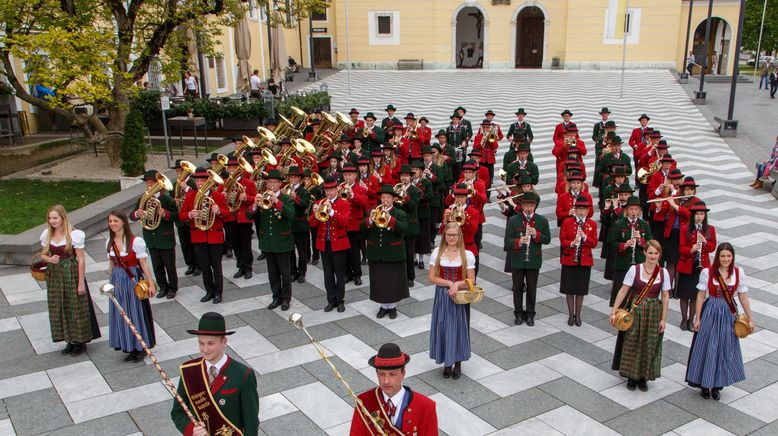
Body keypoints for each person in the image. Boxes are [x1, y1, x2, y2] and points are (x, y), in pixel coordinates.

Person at [686, 243, 755, 400]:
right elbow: (701, 296)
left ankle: (717, 385)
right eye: (723, 256)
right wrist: (698, 317)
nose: (725, 259)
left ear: (733, 257)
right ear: (718, 257)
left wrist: (750, 318)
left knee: (724, 347)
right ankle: (704, 383)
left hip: (728, 313)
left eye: (728, 256)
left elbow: (743, 297)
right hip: (710, 311)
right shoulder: (708, 272)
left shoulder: (738, 273)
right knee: (708, 346)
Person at [171, 312, 259, 436]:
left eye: (211, 343)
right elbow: (177, 412)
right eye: (201, 343)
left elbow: (251, 423)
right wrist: (192, 430)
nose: (205, 349)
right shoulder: (189, 370)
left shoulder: (243, 375)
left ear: (224, 341)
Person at [610, 240, 671, 392]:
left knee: (649, 343)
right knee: (632, 341)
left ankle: (643, 377)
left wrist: (663, 319)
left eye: (656, 253)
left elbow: (665, 296)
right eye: (650, 252)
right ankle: (631, 376)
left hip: (653, 312)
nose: (653, 256)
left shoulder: (663, 272)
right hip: (636, 311)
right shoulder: (634, 270)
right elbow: (623, 290)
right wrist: (614, 311)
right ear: (644, 252)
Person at [39, 205, 100, 356]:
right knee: (60, 305)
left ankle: (80, 341)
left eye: (55, 218)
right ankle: (69, 339)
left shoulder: (73, 235)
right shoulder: (47, 234)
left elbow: (81, 259)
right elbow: (43, 255)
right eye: (50, 218)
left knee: (75, 306)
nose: (52, 221)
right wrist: (50, 259)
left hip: (71, 273)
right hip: (55, 274)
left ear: (63, 218)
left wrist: (80, 283)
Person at [350, 343, 438, 435]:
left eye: (392, 374)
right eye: (382, 374)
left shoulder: (426, 406)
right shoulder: (364, 402)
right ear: (377, 374)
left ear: (403, 373)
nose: (386, 381)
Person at [106, 210, 157, 363]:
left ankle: (140, 346)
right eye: (110, 221)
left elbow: (143, 264)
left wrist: (151, 283)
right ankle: (129, 345)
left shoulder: (135, 241)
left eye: (116, 221)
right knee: (121, 313)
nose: (113, 224)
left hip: (132, 279)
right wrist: (109, 282)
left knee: (135, 312)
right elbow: (110, 264)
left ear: (123, 222)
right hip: (117, 279)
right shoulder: (109, 242)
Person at [428, 222, 475, 379]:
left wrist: (457, 284)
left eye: (454, 235)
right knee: (443, 326)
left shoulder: (466, 254)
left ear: (459, 235)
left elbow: (471, 280)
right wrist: (449, 283)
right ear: (444, 236)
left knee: (458, 328)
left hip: (459, 297)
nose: (451, 238)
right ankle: (447, 362)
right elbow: (432, 277)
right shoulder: (438, 252)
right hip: (442, 295)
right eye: (449, 235)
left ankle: (458, 362)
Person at [246, 170, 295, 311]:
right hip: (268, 242)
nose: (272, 185)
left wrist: (277, 202)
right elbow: (248, 216)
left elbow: (291, 214)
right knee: (272, 273)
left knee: (285, 273)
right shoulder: (262, 198)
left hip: (282, 242)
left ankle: (286, 299)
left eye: (275, 182)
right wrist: (255, 205)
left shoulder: (286, 198)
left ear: (280, 184)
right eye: (269, 182)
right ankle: (276, 297)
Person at [179, 167, 229, 304]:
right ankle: (209, 291)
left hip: (215, 237)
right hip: (199, 236)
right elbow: (182, 215)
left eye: (202, 180)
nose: (200, 183)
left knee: (216, 266)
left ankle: (218, 292)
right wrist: (190, 214)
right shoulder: (190, 196)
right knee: (205, 266)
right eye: (198, 180)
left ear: (208, 181)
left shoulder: (217, 196)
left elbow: (228, 215)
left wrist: (218, 211)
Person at [131, 170, 179, 299]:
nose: (150, 185)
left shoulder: (166, 199)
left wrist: (165, 214)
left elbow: (177, 216)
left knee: (169, 265)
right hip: (151, 237)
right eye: (148, 182)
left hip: (165, 237)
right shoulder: (143, 199)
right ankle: (163, 287)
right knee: (157, 265)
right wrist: (137, 214)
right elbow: (132, 215)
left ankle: (173, 288)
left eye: (153, 182)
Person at [363, 185, 409, 319]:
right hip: (377, 252)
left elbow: (404, 229)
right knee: (380, 281)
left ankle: (392, 307)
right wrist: (370, 220)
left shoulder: (400, 213)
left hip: (393, 253)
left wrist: (390, 219)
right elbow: (363, 230)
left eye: (388, 197)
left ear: (394, 199)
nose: (385, 200)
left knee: (393, 281)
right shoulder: (373, 212)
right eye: (383, 197)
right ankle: (383, 306)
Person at [505, 193, 551, 326]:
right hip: (518, 260)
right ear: (522, 206)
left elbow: (547, 239)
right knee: (517, 287)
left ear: (535, 206)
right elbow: (507, 240)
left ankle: (530, 314)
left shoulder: (542, 220)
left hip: (533, 260)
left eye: (531, 206)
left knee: (532, 288)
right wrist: (519, 241)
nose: (529, 208)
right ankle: (518, 313)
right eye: (526, 206)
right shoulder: (514, 220)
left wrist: (536, 234)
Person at [310, 176, 351, 312]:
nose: (329, 193)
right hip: (324, 244)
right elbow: (312, 223)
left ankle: (340, 301)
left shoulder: (344, 203)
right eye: (327, 190)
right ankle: (331, 300)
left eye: (331, 190)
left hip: (339, 244)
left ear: (337, 190)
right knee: (327, 274)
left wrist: (332, 211)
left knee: (339, 274)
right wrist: (315, 213)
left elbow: (345, 222)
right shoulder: (319, 202)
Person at [677, 201, 716, 331]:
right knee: (684, 295)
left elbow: (713, 248)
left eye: (702, 214)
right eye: (697, 214)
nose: (699, 217)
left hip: (701, 267)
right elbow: (681, 248)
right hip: (687, 265)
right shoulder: (684, 228)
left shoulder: (710, 229)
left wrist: (705, 242)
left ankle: (691, 319)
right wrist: (691, 249)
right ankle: (683, 318)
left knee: (695, 295)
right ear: (693, 215)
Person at [559, 197, 598, 326]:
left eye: (584, 209)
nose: (581, 212)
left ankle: (578, 315)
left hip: (584, 260)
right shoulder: (567, 222)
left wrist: (585, 237)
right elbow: (562, 240)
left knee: (581, 289)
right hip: (570, 259)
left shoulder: (592, 224)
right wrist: (572, 243)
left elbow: (594, 243)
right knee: (569, 288)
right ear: (575, 210)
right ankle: (571, 315)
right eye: (579, 209)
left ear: (587, 211)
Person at [607, 196, 653, 307]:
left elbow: (650, 243)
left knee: (636, 290)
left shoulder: (644, 225)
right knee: (621, 288)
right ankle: (619, 313)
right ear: (626, 210)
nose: (633, 212)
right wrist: (624, 245)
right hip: (622, 263)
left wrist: (640, 241)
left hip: (638, 262)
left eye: (636, 209)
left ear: (639, 211)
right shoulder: (619, 224)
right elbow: (612, 242)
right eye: (631, 209)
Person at [286, 166, 312, 284]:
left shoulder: (304, 191)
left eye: (295, 177)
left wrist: (295, 197)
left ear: (299, 179)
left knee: (302, 252)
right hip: (289, 225)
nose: (292, 179)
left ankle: (302, 273)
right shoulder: (285, 189)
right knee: (290, 250)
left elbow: (305, 205)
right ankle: (293, 272)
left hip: (300, 225)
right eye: (291, 177)